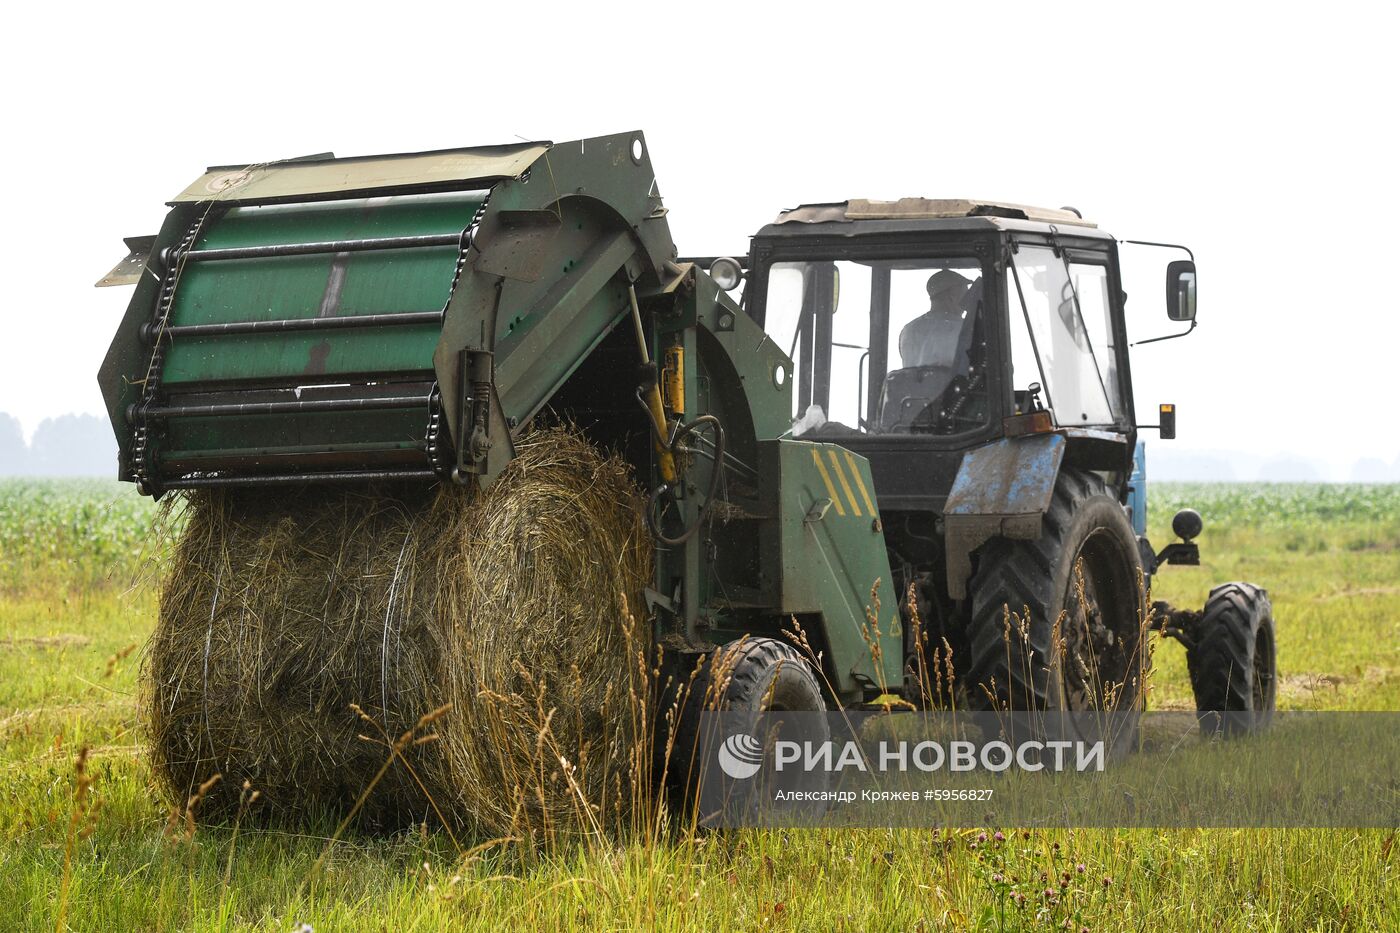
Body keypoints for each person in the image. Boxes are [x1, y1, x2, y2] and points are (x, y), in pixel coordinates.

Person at [898, 269, 972, 369]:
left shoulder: (908, 330)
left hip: (916, 385)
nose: (968, 300)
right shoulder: (963, 328)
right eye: (965, 293)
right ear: (952, 295)